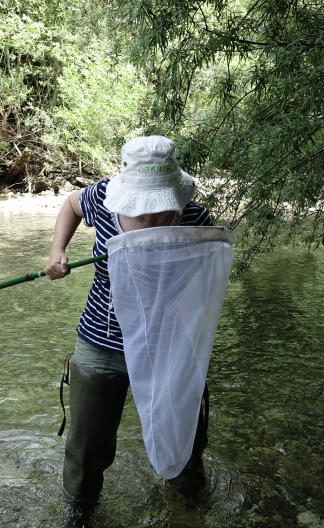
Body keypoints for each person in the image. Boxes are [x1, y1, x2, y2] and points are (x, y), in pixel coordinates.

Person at [44, 135, 212, 504]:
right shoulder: (102, 199)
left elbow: (201, 284)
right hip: (101, 343)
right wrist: (58, 252)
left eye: (160, 207)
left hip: (169, 346)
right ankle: (81, 522)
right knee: (87, 451)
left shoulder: (195, 218)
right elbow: (70, 205)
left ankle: (188, 523)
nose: (152, 216)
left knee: (183, 446)